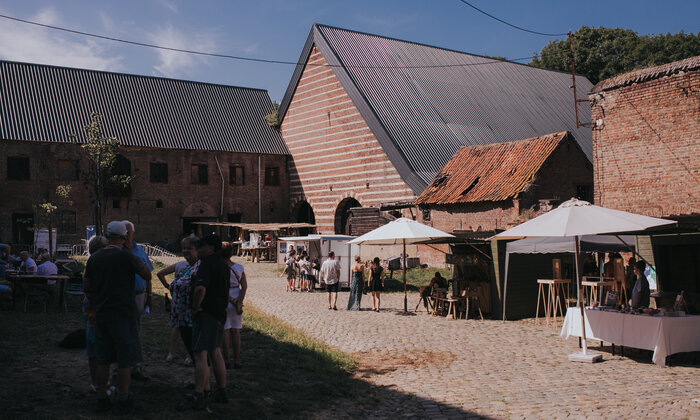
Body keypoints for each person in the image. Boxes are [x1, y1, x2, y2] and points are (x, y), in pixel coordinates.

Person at [83, 221, 152, 413]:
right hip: (123, 314)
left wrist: (102, 298)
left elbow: (87, 288)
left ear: (107, 235)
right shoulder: (126, 256)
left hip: (102, 314)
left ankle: (102, 397)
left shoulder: (94, 259)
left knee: (103, 359)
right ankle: (123, 398)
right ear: (123, 237)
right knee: (125, 359)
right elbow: (147, 275)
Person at [189, 234, 229, 409]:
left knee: (200, 354)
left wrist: (195, 307)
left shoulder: (207, 264)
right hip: (219, 313)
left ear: (211, 248)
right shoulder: (223, 264)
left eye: (201, 246)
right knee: (216, 352)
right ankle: (222, 391)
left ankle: (198, 394)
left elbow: (200, 288)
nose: (198, 249)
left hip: (206, 314)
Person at [156, 235, 199, 366]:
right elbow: (159, 273)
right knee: (183, 327)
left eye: (189, 248)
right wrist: (169, 287)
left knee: (182, 328)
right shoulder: (183, 264)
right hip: (182, 303)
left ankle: (174, 353)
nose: (185, 251)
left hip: (185, 302)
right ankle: (186, 355)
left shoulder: (193, 265)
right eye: (184, 248)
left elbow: (160, 274)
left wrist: (169, 287)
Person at [122, 220, 153, 381]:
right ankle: (121, 367)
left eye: (129, 232)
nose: (127, 235)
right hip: (122, 297)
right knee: (122, 331)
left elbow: (148, 275)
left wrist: (150, 296)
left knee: (135, 331)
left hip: (139, 295)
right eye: (124, 232)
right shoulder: (116, 251)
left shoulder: (140, 250)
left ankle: (135, 367)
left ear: (133, 233)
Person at [84, 235, 107, 394]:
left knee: (103, 344)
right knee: (94, 343)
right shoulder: (94, 264)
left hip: (100, 307)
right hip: (94, 308)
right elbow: (88, 289)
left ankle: (102, 381)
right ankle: (96, 382)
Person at [220, 243, 247, 369]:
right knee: (236, 331)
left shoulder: (219, 267)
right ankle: (237, 360)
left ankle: (226, 360)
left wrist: (231, 300)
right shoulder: (239, 267)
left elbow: (220, 288)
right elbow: (244, 286)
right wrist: (239, 302)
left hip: (224, 299)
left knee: (225, 331)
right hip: (236, 296)